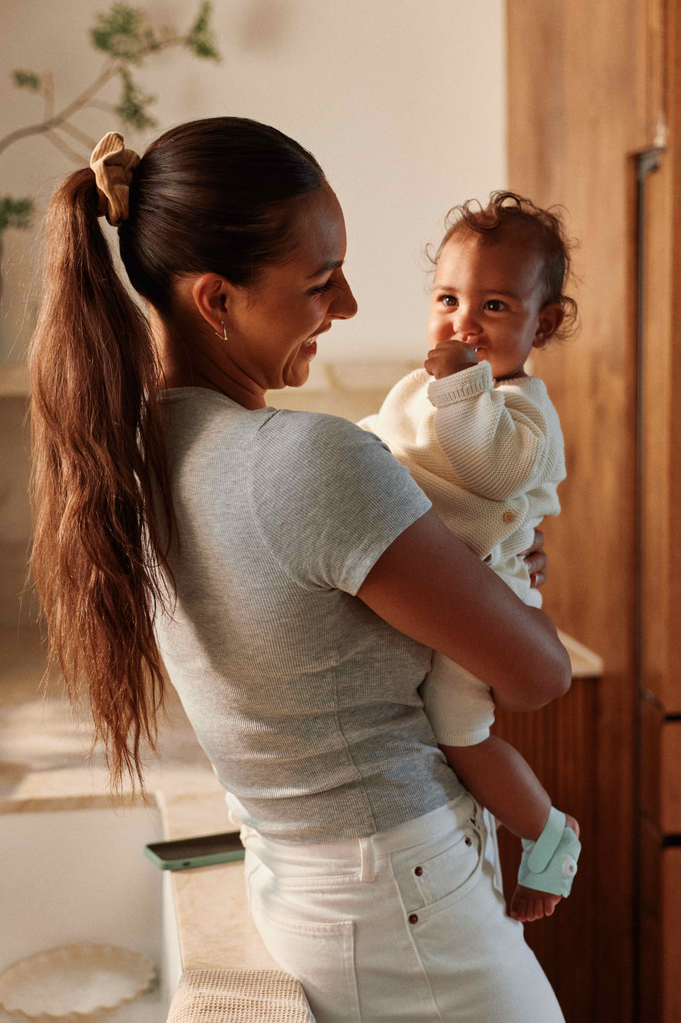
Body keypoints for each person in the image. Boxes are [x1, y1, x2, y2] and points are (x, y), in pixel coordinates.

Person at [29, 119, 571, 1023]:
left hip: (309, 885)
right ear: (217, 300)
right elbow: (537, 675)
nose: (350, 305)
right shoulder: (310, 460)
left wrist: (462, 569)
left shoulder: (128, 460)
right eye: (321, 282)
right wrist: (506, 584)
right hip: (403, 894)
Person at [360, 192, 582, 923]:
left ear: (541, 323)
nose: (463, 321)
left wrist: (459, 383)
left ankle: (547, 832)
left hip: (494, 591)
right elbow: (379, 445)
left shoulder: (521, 408)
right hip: (441, 585)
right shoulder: (428, 391)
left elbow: (485, 468)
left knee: (460, 728)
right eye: (449, 298)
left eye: (493, 305)